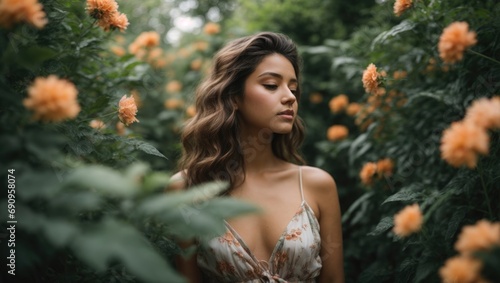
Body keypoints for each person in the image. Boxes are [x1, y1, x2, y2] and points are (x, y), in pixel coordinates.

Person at [169, 32, 344, 283]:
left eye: (293, 88)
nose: (290, 97)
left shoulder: (317, 185)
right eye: (272, 85)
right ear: (234, 96)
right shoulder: (187, 189)